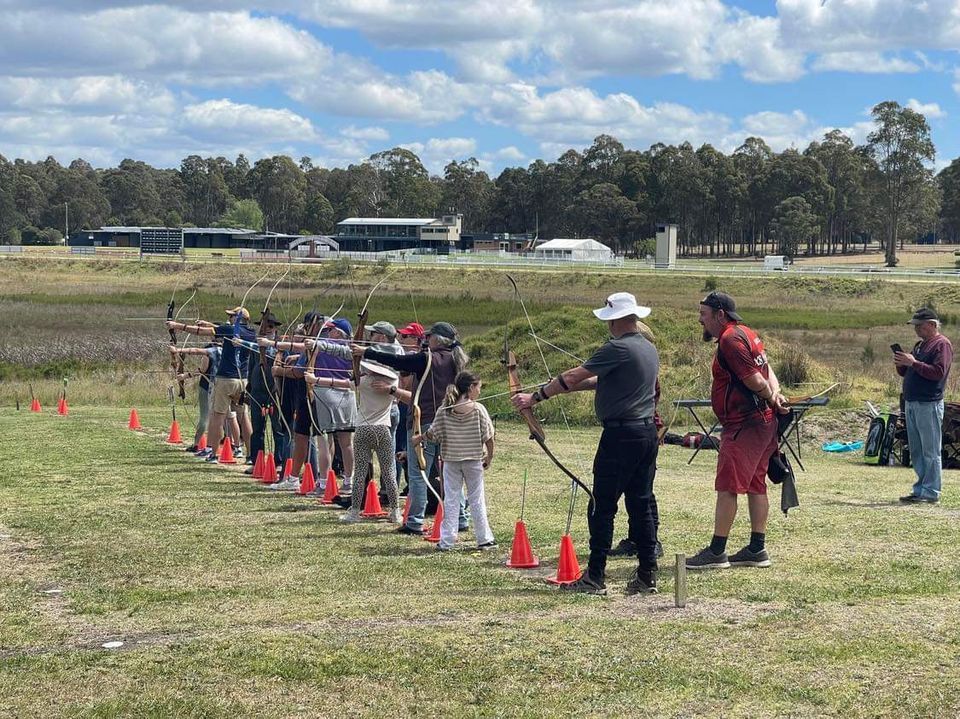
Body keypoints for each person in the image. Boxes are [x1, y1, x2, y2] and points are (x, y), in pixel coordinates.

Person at [512, 292, 660, 596]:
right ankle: (646, 575)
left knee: (601, 506)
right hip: (645, 434)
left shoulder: (617, 347)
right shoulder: (647, 348)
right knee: (640, 504)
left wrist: (536, 397)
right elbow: (596, 381)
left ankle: (595, 576)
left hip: (621, 436)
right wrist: (561, 389)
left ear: (616, 319)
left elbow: (573, 374)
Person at [685, 291, 788, 571]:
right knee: (756, 484)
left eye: (704, 314)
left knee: (728, 487)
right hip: (762, 423)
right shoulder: (748, 333)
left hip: (744, 424)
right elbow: (768, 372)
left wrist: (769, 395)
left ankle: (717, 551)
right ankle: (756, 548)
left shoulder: (730, 339)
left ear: (720, 315)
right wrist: (775, 395)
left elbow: (756, 379)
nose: (700, 320)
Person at [354, 321, 469, 536]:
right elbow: (404, 364)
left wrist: (366, 352)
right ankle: (461, 517)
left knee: (418, 474)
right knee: (449, 473)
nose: (426, 340)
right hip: (450, 423)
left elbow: (396, 360)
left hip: (422, 420)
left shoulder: (427, 358)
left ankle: (415, 521)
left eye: (429, 337)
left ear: (437, 339)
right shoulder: (455, 358)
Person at [415, 371, 496, 552]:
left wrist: (420, 438)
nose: (479, 392)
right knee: (476, 499)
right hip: (473, 460)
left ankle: (447, 541)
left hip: (451, 461)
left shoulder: (445, 409)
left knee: (451, 500)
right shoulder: (478, 409)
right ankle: (484, 539)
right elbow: (489, 437)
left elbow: (434, 435)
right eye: (478, 387)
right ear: (470, 388)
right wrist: (489, 456)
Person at [167, 306, 256, 463]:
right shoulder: (251, 333)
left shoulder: (229, 330)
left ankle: (213, 454)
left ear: (239, 318)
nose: (230, 319)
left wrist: (177, 326)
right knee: (243, 417)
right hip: (243, 380)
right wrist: (207, 323)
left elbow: (200, 332)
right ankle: (250, 456)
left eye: (232, 317)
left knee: (217, 417)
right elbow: (218, 329)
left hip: (226, 379)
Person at [896, 307, 954, 504]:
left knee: (930, 450)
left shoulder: (942, 345)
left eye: (919, 326)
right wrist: (902, 362)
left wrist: (913, 363)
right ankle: (921, 488)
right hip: (912, 402)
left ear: (932, 325)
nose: (917, 330)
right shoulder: (920, 345)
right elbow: (907, 372)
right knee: (917, 449)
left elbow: (938, 372)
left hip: (928, 403)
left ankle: (931, 492)